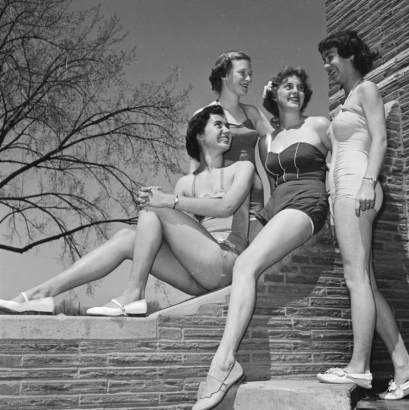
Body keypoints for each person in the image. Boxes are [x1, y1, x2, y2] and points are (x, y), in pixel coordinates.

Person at [0, 105, 254, 317]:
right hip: (196, 276)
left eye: (227, 126)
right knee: (126, 237)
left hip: (225, 261)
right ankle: (43, 293)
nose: (226, 131)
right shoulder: (185, 184)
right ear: (200, 135)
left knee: (155, 205)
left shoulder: (242, 168)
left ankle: (134, 294)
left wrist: (167, 201)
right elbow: (180, 236)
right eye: (218, 125)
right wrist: (151, 208)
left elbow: (226, 206)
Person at [193, 67, 331, 410]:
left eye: (300, 86)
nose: (296, 90)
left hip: (307, 202)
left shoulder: (316, 125)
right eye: (288, 85)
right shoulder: (267, 140)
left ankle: (224, 363)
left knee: (246, 267)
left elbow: (340, 157)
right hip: (275, 208)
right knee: (228, 255)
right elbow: (239, 114)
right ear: (276, 93)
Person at [316, 30, 409, 400]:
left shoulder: (367, 89)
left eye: (331, 56)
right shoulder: (345, 101)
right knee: (365, 282)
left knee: (356, 279)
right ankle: (403, 365)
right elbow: (335, 155)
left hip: (359, 186)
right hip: (346, 192)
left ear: (351, 55)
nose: (327, 65)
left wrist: (369, 182)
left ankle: (359, 366)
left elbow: (380, 138)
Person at [191, 51, 273, 241]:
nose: (249, 79)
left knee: (252, 253)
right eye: (242, 73)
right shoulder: (203, 115)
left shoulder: (252, 113)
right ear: (224, 75)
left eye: (250, 73)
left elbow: (277, 145)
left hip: (254, 196)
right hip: (220, 196)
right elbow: (196, 165)